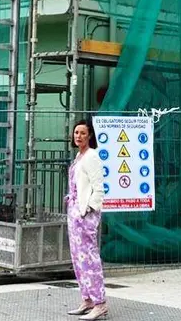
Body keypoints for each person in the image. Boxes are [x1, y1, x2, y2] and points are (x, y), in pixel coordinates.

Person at [65, 119, 108, 320]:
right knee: (77, 258)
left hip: (85, 214)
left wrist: (88, 209)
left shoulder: (91, 156)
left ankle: (100, 303)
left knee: (89, 258)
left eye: (82, 133)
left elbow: (99, 187)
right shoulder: (79, 156)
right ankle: (87, 299)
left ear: (89, 135)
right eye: (76, 133)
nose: (78, 136)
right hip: (75, 212)